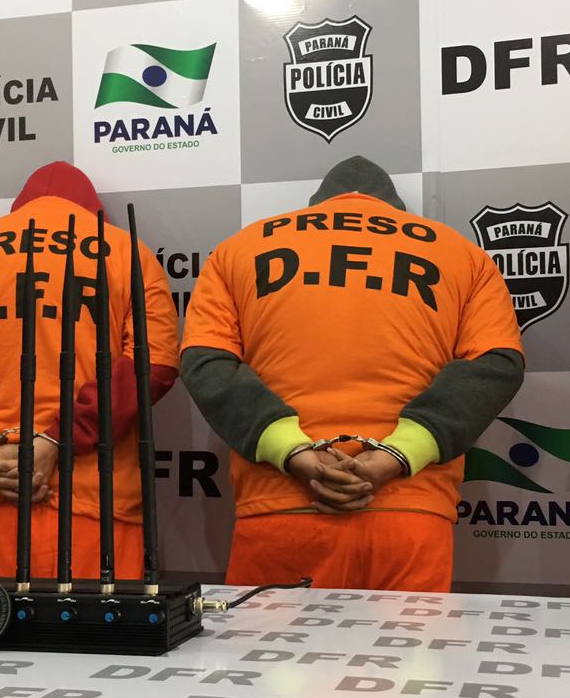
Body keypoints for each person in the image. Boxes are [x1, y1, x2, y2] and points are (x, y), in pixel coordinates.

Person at [181, 156, 524, 592]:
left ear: (318, 204)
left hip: (283, 505)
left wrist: (296, 453)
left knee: (268, 641)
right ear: (394, 208)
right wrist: (397, 455)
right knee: (409, 641)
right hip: (409, 510)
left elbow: (206, 363)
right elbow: (496, 364)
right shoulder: (463, 255)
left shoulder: (238, 250)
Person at [0, 161, 179, 578]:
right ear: (93, 211)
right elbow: (154, 364)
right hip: (96, 503)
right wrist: (59, 439)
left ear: (19, 209)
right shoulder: (128, 253)